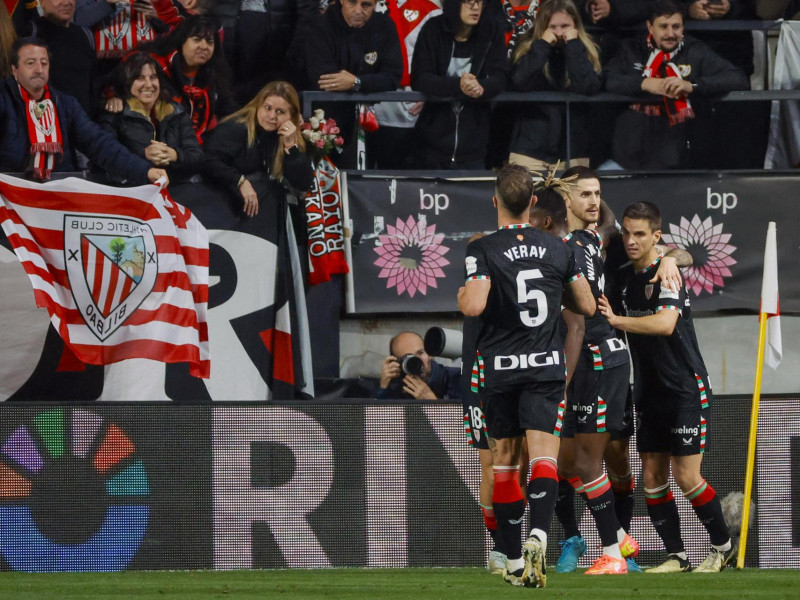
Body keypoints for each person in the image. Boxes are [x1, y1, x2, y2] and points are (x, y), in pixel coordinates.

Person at [458, 163, 595, 588]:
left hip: (500, 369)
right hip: (545, 367)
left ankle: (514, 559)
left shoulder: (482, 248)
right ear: (533, 201)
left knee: (502, 464)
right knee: (544, 459)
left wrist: (464, 291)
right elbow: (587, 307)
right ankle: (540, 533)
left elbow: (474, 306)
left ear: (496, 200)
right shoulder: (559, 248)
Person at [598, 201, 735, 573]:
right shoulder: (624, 275)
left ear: (656, 236)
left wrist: (617, 320)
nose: (630, 240)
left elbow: (665, 324)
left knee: (686, 475)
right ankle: (678, 556)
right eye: (626, 232)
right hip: (649, 390)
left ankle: (722, 548)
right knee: (653, 477)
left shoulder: (668, 273)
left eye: (640, 234)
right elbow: (604, 220)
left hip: (685, 389)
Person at [601, 0, 748, 170]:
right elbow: (607, 79)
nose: (670, 34)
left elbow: (738, 78)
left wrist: (691, 85)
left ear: (683, 27)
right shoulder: (631, 49)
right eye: (663, 26)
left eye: (676, 27)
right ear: (650, 27)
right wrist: (644, 83)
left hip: (672, 159)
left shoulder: (695, 50)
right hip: (625, 156)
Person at [0, 38, 166, 184]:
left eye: (44, 63)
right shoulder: (3, 97)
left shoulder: (65, 104)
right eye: (30, 63)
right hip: (10, 195)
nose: (39, 69)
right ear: (15, 70)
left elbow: (99, 144)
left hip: (57, 192)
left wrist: (144, 171)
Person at [303, 0, 403, 169]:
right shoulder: (320, 25)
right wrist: (371, 82)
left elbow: (393, 77)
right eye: (352, 2)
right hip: (326, 122)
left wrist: (356, 82)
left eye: (366, 5)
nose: (358, 11)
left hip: (373, 125)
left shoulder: (385, 25)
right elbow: (324, 78)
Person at [410, 0, 509, 170]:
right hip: (432, 144)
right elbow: (420, 78)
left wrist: (482, 87)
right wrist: (458, 85)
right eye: (468, 2)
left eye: (479, 2)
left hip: (475, 144)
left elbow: (502, 76)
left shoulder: (491, 30)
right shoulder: (433, 29)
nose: (475, 7)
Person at [107, 15, 236, 144]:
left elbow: (228, 110)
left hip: (191, 149)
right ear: (182, 41)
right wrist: (115, 96)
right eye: (197, 40)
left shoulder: (214, 74)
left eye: (209, 42)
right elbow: (113, 82)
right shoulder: (152, 64)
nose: (204, 46)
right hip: (147, 143)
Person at [201, 80, 314, 226]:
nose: (272, 116)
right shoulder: (235, 128)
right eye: (267, 108)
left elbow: (303, 183)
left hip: (260, 218)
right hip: (221, 210)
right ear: (258, 106)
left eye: (280, 112)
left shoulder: (287, 136)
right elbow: (207, 160)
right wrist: (239, 181)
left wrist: (291, 147)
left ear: (291, 116)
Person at [508, 0, 601, 172]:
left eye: (565, 26)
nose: (559, 32)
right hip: (530, 151)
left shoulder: (586, 50)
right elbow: (519, 81)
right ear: (543, 26)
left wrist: (573, 45)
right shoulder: (528, 48)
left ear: (575, 26)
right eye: (553, 26)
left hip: (573, 151)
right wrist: (542, 45)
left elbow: (587, 86)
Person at [99, 51, 203, 187]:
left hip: (176, 190)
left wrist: (174, 155)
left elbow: (198, 157)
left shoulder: (176, 111)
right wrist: (143, 155)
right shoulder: (115, 113)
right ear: (127, 82)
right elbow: (106, 158)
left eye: (153, 77)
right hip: (132, 191)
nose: (149, 85)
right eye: (140, 78)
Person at [18, 0, 99, 117]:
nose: (66, 3)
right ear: (42, 2)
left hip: (83, 124)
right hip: (44, 124)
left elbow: (94, 82)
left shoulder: (85, 34)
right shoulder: (30, 32)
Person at [375, 331, 461, 400]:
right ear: (398, 364)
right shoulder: (398, 389)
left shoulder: (457, 379)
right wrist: (383, 388)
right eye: (409, 358)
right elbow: (379, 420)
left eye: (420, 353)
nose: (417, 362)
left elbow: (468, 420)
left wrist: (431, 402)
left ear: (430, 354)